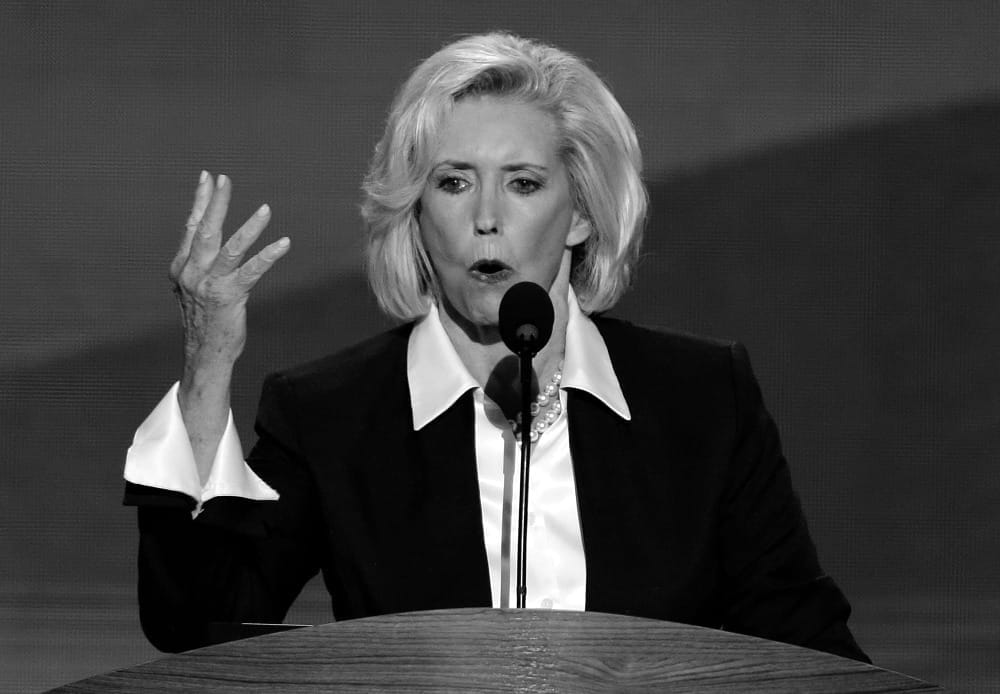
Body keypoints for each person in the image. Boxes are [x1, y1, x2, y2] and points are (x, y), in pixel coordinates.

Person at [124, 32, 869, 661]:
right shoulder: (333, 414)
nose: (486, 218)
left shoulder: (701, 398)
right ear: (415, 215)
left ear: (579, 214)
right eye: (453, 183)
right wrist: (209, 359)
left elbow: (805, 645)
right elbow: (195, 628)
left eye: (522, 183)